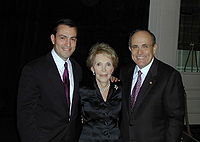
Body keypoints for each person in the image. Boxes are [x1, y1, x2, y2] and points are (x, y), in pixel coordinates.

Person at [17, 18, 82, 142]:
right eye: (63, 38)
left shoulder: (77, 69)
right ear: (53, 39)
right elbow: (25, 116)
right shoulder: (33, 70)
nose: (68, 44)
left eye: (72, 39)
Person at [119, 29, 185, 142]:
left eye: (145, 46)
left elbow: (175, 119)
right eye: (135, 46)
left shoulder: (169, 76)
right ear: (130, 49)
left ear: (154, 48)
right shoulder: (124, 72)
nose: (139, 52)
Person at [79, 43, 122, 142]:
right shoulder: (81, 90)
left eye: (108, 64)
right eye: (99, 64)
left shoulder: (121, 90)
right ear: (92, 68)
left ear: (113, 68)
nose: (103, 69)